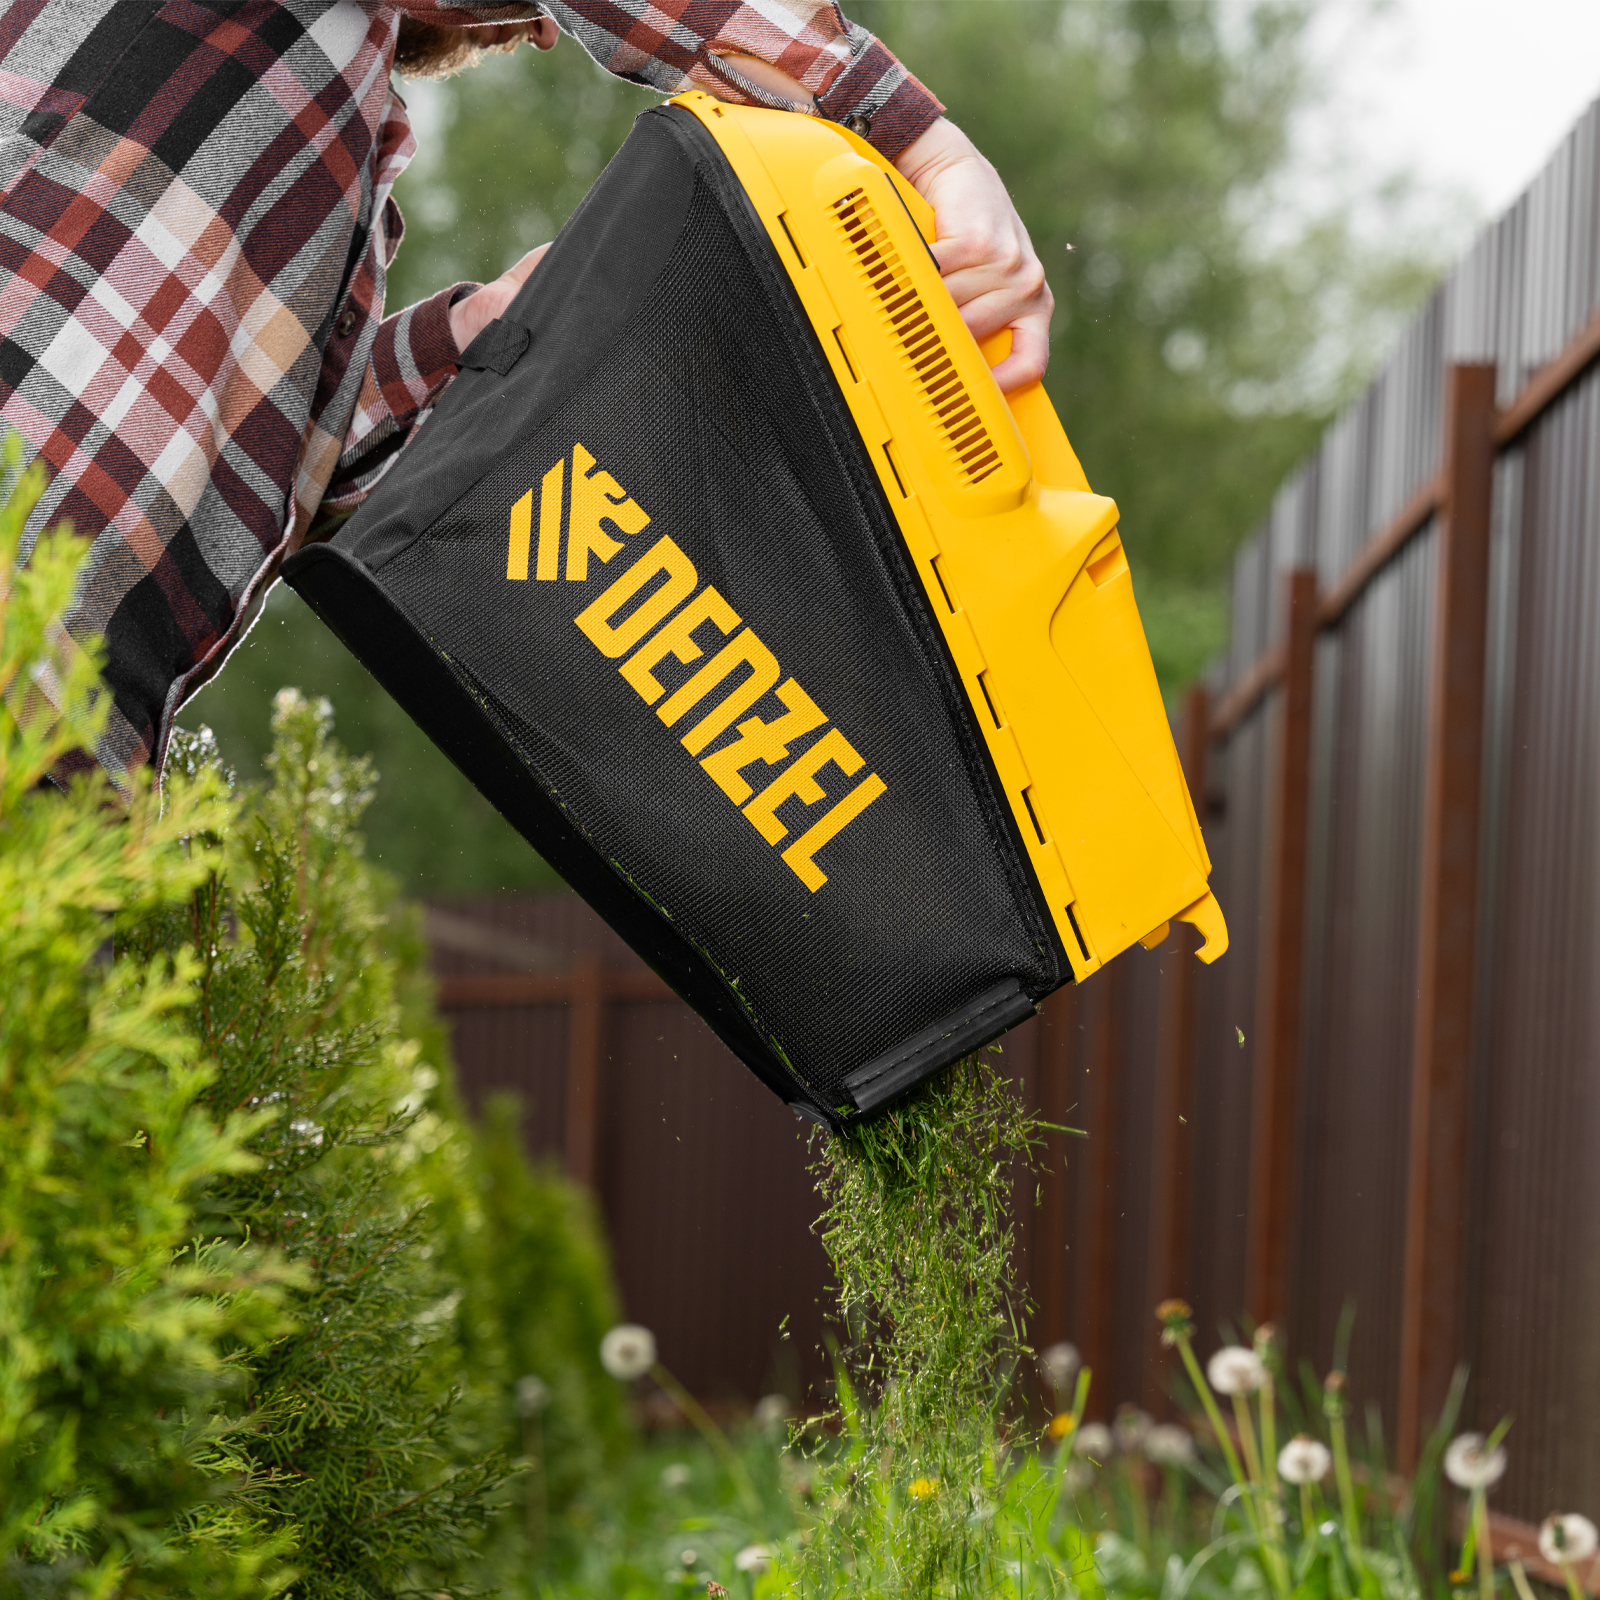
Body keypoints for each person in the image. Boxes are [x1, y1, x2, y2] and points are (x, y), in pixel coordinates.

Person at [0, 3, 1051, 786]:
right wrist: (924, 142)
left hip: (69, 743)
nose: (547, 32)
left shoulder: (313, 159)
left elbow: (257, 476)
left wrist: (476, 334)